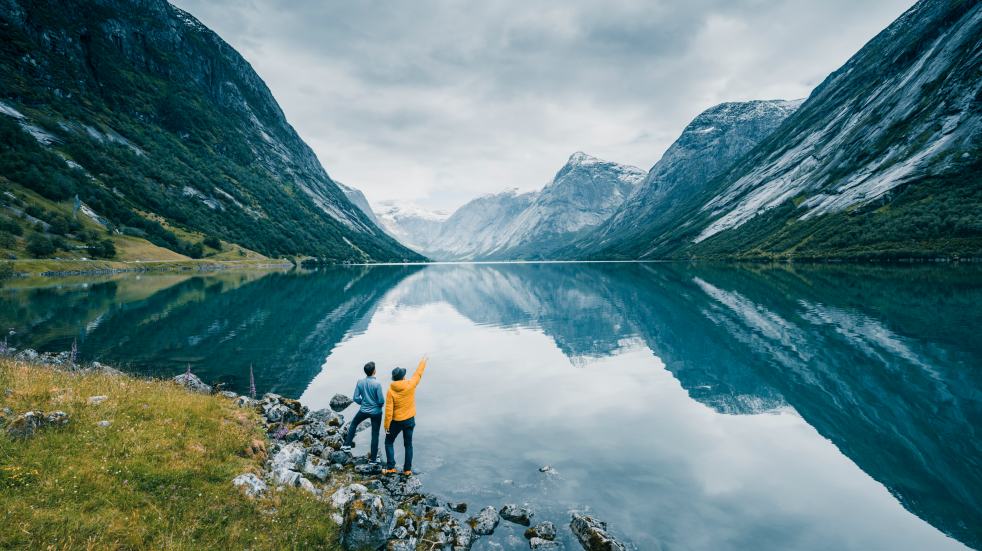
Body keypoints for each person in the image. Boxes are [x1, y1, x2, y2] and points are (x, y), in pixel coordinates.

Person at [383, 356, 427, 475]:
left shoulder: (390, 390)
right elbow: (418, 373)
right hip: (409, 420)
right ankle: (407, 470)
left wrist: (386, 426)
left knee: (388, 442)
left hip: (396, 422)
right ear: (403, 377)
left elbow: (388, 410)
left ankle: (391, 467)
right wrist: (423, 361)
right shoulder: (411, 384)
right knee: (408, 445)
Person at [341, 361, 385, 462]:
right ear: (374, 371)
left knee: (353, 424)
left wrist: (364, 403)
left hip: (363, 410)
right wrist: (376, 406)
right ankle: (373, 460)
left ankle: (347, 445)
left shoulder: (360, 382)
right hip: (376, 413)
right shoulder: (377, 384)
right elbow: (381, 401)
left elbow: (355, 398)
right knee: (375, 434)